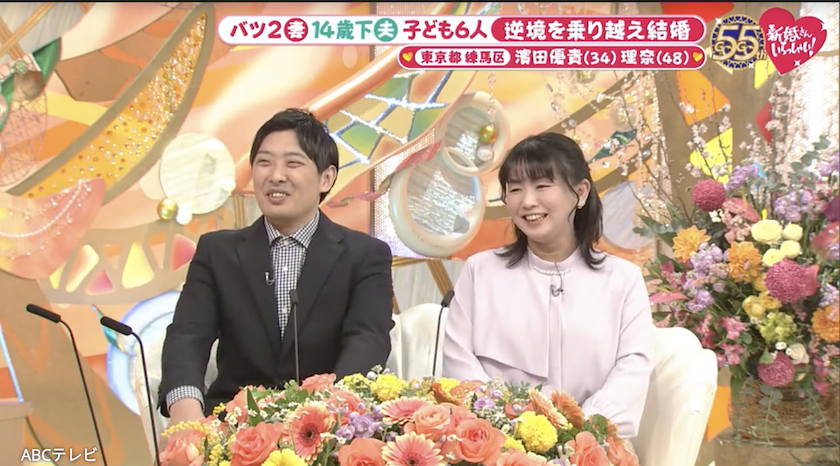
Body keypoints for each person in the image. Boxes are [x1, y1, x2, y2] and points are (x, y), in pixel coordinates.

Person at [157, 108, 395, 430]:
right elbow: (188, 335)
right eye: (264, 162)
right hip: (233, 427)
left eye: (293, 163)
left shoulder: (365, 256)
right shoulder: (218, 252)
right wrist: (185, 409)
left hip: (326, 429)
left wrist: (329, 418)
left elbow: (367, 340)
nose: (276, 175)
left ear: (326, 178)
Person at [441, 132, 655, 443]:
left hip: (591, 447)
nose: (528, 201)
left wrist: (578, 435)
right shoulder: (480, 271)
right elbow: (459, 363)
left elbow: (632, 368)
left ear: (580, 192)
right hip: (498, 445)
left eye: (542, 186)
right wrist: (510, 430)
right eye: (515, 189)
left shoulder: (623, 280)